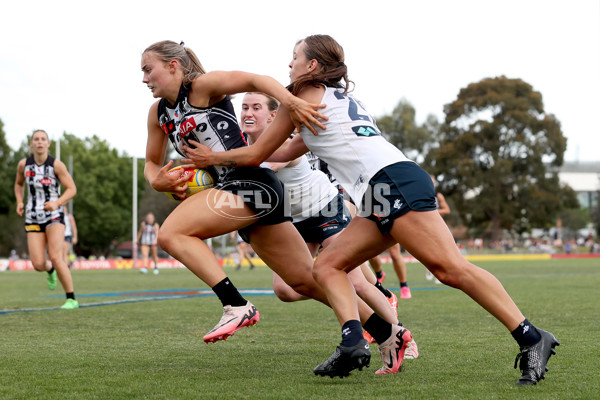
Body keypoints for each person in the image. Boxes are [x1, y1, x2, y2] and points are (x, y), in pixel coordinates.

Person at [187, 34, 560, 385]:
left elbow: (258, 153)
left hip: (392, 181)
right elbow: (282, 152)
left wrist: (211, 157)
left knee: (450, 269)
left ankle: (531, 337)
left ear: (312, 65)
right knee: (328, 266)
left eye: (295, 57)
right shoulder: (325, 97)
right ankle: (354, 342)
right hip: (379, 190)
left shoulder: (304, 96)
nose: (289, 64)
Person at [141, 41, 405, 371]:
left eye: (147, 69)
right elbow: (152, 162)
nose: (143, 78)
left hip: (252, 183)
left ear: (173, 67)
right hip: (238, 194)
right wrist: (156, 180)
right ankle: (388, 333)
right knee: (304, 281)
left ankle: (235, 305)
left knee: (171, 234)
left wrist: (291, 101)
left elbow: (257, 79)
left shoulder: (201, 87)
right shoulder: (158, 113)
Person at [239, 92, 417, 359]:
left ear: (273, 116)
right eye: (244, 108)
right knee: (285, 290)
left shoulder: (280, 145)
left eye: (256, 107)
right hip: (296, 220)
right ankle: (343, 289)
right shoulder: (242, 146)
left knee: (357, 283)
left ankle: (400, 335)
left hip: (325, 209)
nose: (248, 113)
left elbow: (262, 170)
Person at [14, 129, 79, 309]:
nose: (40, 142)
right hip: (32, 216)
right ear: (32, 144)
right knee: (37, 263)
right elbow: (18, 184)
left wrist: (57, 203)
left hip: (54, 215)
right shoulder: (23, 165)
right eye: (36, 139)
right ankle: (49, 270)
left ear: (48, 144)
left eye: (43, 139)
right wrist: (19, 201)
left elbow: (72, 189)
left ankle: (71, 298)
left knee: (57, 257)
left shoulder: (56, 165)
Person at [426, 174, 451, 283]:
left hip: (437, 226)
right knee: (428, 250)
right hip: (425, 226)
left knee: (441, 250)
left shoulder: (438, 196)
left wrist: (433, 212)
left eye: (433, 181)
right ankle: (430, 269)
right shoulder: (421, 194)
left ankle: (438, 274)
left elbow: (446, 210)